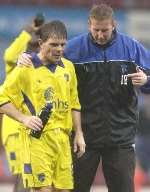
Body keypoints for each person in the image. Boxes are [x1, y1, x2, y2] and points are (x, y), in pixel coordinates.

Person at [16, 4, 150, 192]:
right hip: (83, 138)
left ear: (114, 25)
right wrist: (26, 58)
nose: (101, 35)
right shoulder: (74, 49)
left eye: (105, 30)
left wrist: (146, 80)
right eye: (96, 30)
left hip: (121, 138)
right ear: (89, 25)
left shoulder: (131, 48)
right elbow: (45, 57)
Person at [0, 20, 86, 192]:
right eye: (54, 45)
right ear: (40, 44)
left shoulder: (68, 67)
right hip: (36, 140)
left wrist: (79, 134)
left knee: (64, 189)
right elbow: (2, 99)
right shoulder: (25, 67)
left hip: (62, 140)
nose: (59, 49)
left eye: (62, 44)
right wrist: (24, 118)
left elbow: (74, 103)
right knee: (42, 189)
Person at [2, 13, 45, 192]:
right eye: (31, 46)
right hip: (15, 129)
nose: (34, 50)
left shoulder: (42, 70)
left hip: (33, 129)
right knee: (24, 173)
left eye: (38, 46)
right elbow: (10, 54)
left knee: (31, 176)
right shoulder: (15, 66)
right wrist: (28, 31)